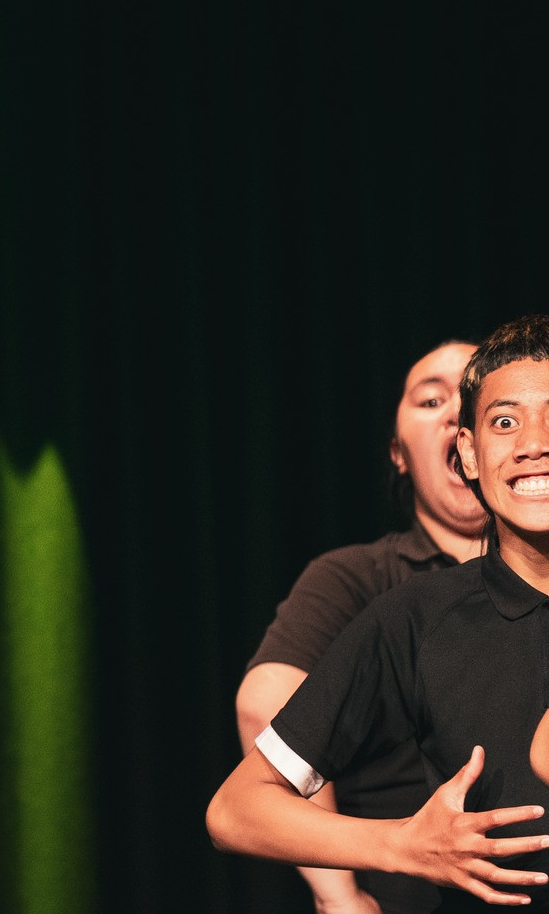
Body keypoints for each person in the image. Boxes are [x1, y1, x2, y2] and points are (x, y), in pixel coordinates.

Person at [207, 314, 549, 912]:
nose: (533, 442)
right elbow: (237, 807)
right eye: (503, 420)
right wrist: (397, 846)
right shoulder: (414, 615)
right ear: (468, 453)